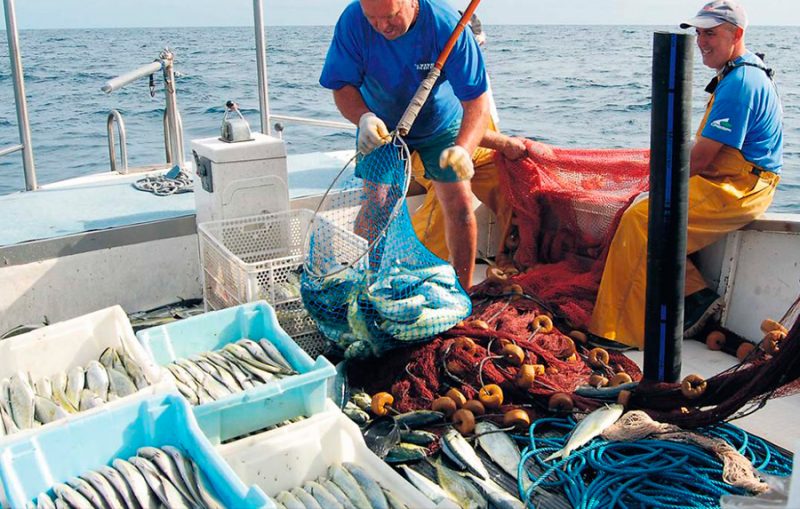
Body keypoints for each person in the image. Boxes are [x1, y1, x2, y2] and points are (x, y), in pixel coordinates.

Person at [589, 0, 783, 349]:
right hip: (727, 179)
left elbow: (703, 159)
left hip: (738, 186)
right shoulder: (739, 71)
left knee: (641, 218)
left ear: (736, 34)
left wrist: (654, 188)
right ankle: (696, 299)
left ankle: (618, 332)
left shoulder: (741, 83)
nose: (701, 41)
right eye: (698, 33)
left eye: (710, 33)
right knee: (648, 209)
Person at [319, 0, 489, 290]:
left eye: (391, 16)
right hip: (379, 124)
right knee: (376, 204)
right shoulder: (351, 22)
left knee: (459, 204)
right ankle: (370, 285)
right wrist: (363, 119)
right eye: (372, 19)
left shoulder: (447, 24)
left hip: (439, 123)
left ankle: (462, 291)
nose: (383, 27)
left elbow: (477, 102)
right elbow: (341, 85)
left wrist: (464, 148)